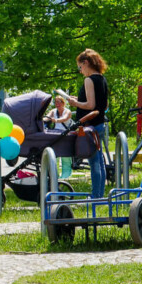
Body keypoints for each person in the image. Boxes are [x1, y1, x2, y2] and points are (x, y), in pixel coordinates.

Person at [56, 49, 111, 198]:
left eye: (80, 67)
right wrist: (78, 100)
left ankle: (95, 196)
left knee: (94, 161)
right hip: (99, 123)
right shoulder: (102, 78)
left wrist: (75, 103)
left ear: (86, 63)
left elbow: (90, 105)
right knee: (99, 161)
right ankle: (99, 194)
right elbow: (103, 106)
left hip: (89, 125)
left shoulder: (89, 80)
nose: (80, 71)